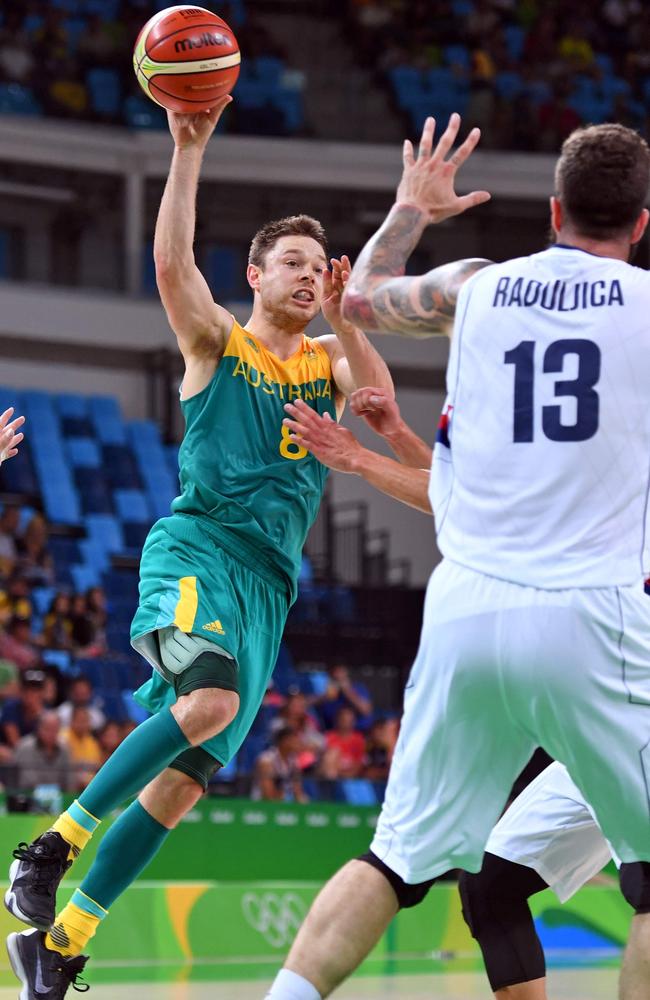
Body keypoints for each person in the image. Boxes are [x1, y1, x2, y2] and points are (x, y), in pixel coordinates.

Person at [5, 94, 394, 998]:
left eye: (315, 264)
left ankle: (60, 944)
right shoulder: (220, 341)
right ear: (253, 277)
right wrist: (188, 148)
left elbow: (377, 406)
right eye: (288, 263)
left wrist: (355, 316)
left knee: (183, 786)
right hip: (199, 550)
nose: (306, 275)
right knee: (208, 702)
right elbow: (171, 264)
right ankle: (52, 844)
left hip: (270, 587)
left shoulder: (330, 354)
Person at [265, 115, 650, 1000]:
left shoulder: (477, 288)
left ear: (553, 211)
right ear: (638, 224)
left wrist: (410, 207)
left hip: (467, 610)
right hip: (595, 615)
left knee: (394, 859)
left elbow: (356, 299)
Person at [284, 387, 649, 998]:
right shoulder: (583, 447)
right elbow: (480, 501)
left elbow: (475, 509)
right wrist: (397, 435)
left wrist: (361, 458)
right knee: (491, 884)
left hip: (626, 698)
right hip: (601, 702)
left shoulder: (614, 449)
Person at [252, 726, 308, 803]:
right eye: (295, 740)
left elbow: (297, 791)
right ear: (284, 741)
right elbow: (267, 794)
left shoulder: (294, 761)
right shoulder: (266, 760)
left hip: (284, 803)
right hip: (263, 805)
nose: (298, 743)